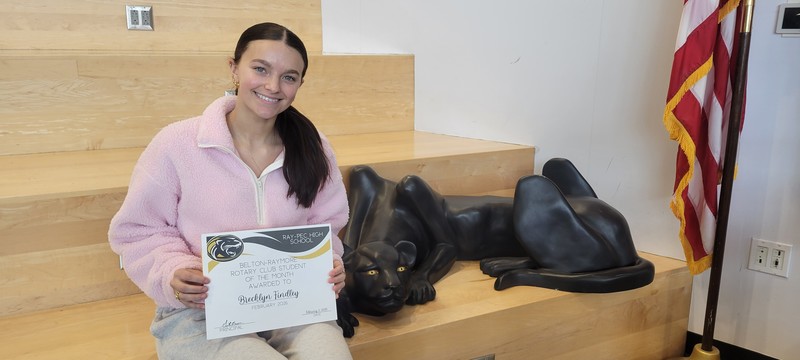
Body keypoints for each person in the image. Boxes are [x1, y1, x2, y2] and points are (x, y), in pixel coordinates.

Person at [108, 22, 353, 359]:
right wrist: (172, 273)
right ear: (234, 68)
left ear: (299, 84)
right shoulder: (177, 144)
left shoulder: (314, 146)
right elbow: (139, 230)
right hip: (200, 312)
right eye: (260, 69)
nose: (273, 86)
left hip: (291, 306)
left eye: (289, 77)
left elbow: (326, 226)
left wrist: (330, 263)